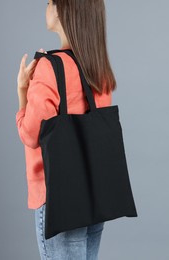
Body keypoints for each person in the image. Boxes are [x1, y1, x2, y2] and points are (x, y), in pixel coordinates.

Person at [15, 0, 116, 259]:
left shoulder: (49, 67)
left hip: (58, 195)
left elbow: (31, 134)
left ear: (63, 9)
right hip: (95, 191)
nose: (46, 6)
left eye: (49, 2)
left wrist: (22, 92)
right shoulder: (98, 66)